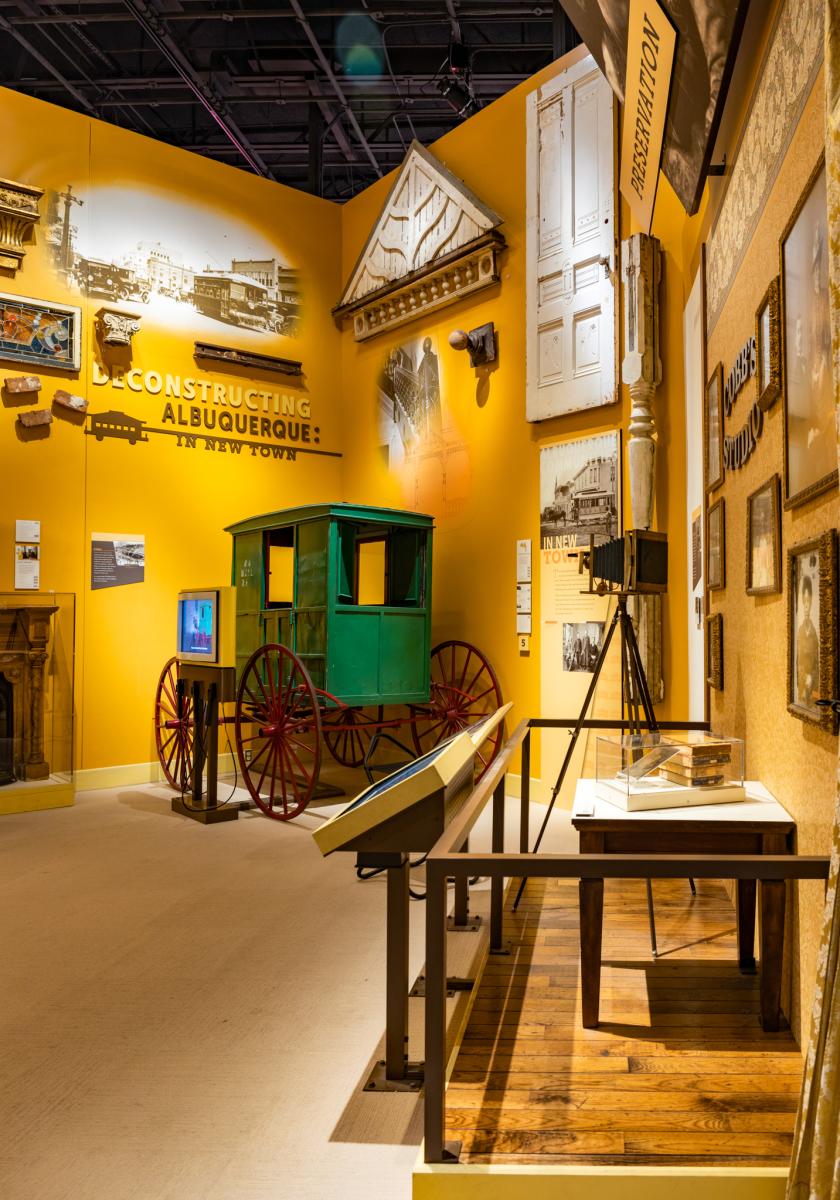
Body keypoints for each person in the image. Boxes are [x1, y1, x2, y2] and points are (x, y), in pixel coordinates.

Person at [796, 573, 819, 707]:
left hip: (814, 689)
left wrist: (812, 677)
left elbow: (817, 662)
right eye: (804, 601)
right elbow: (798, 662)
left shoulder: (814, 631)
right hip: (802, 689)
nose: (806, 605)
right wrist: (806, 677)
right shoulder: (799, 631)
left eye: (808, 601)